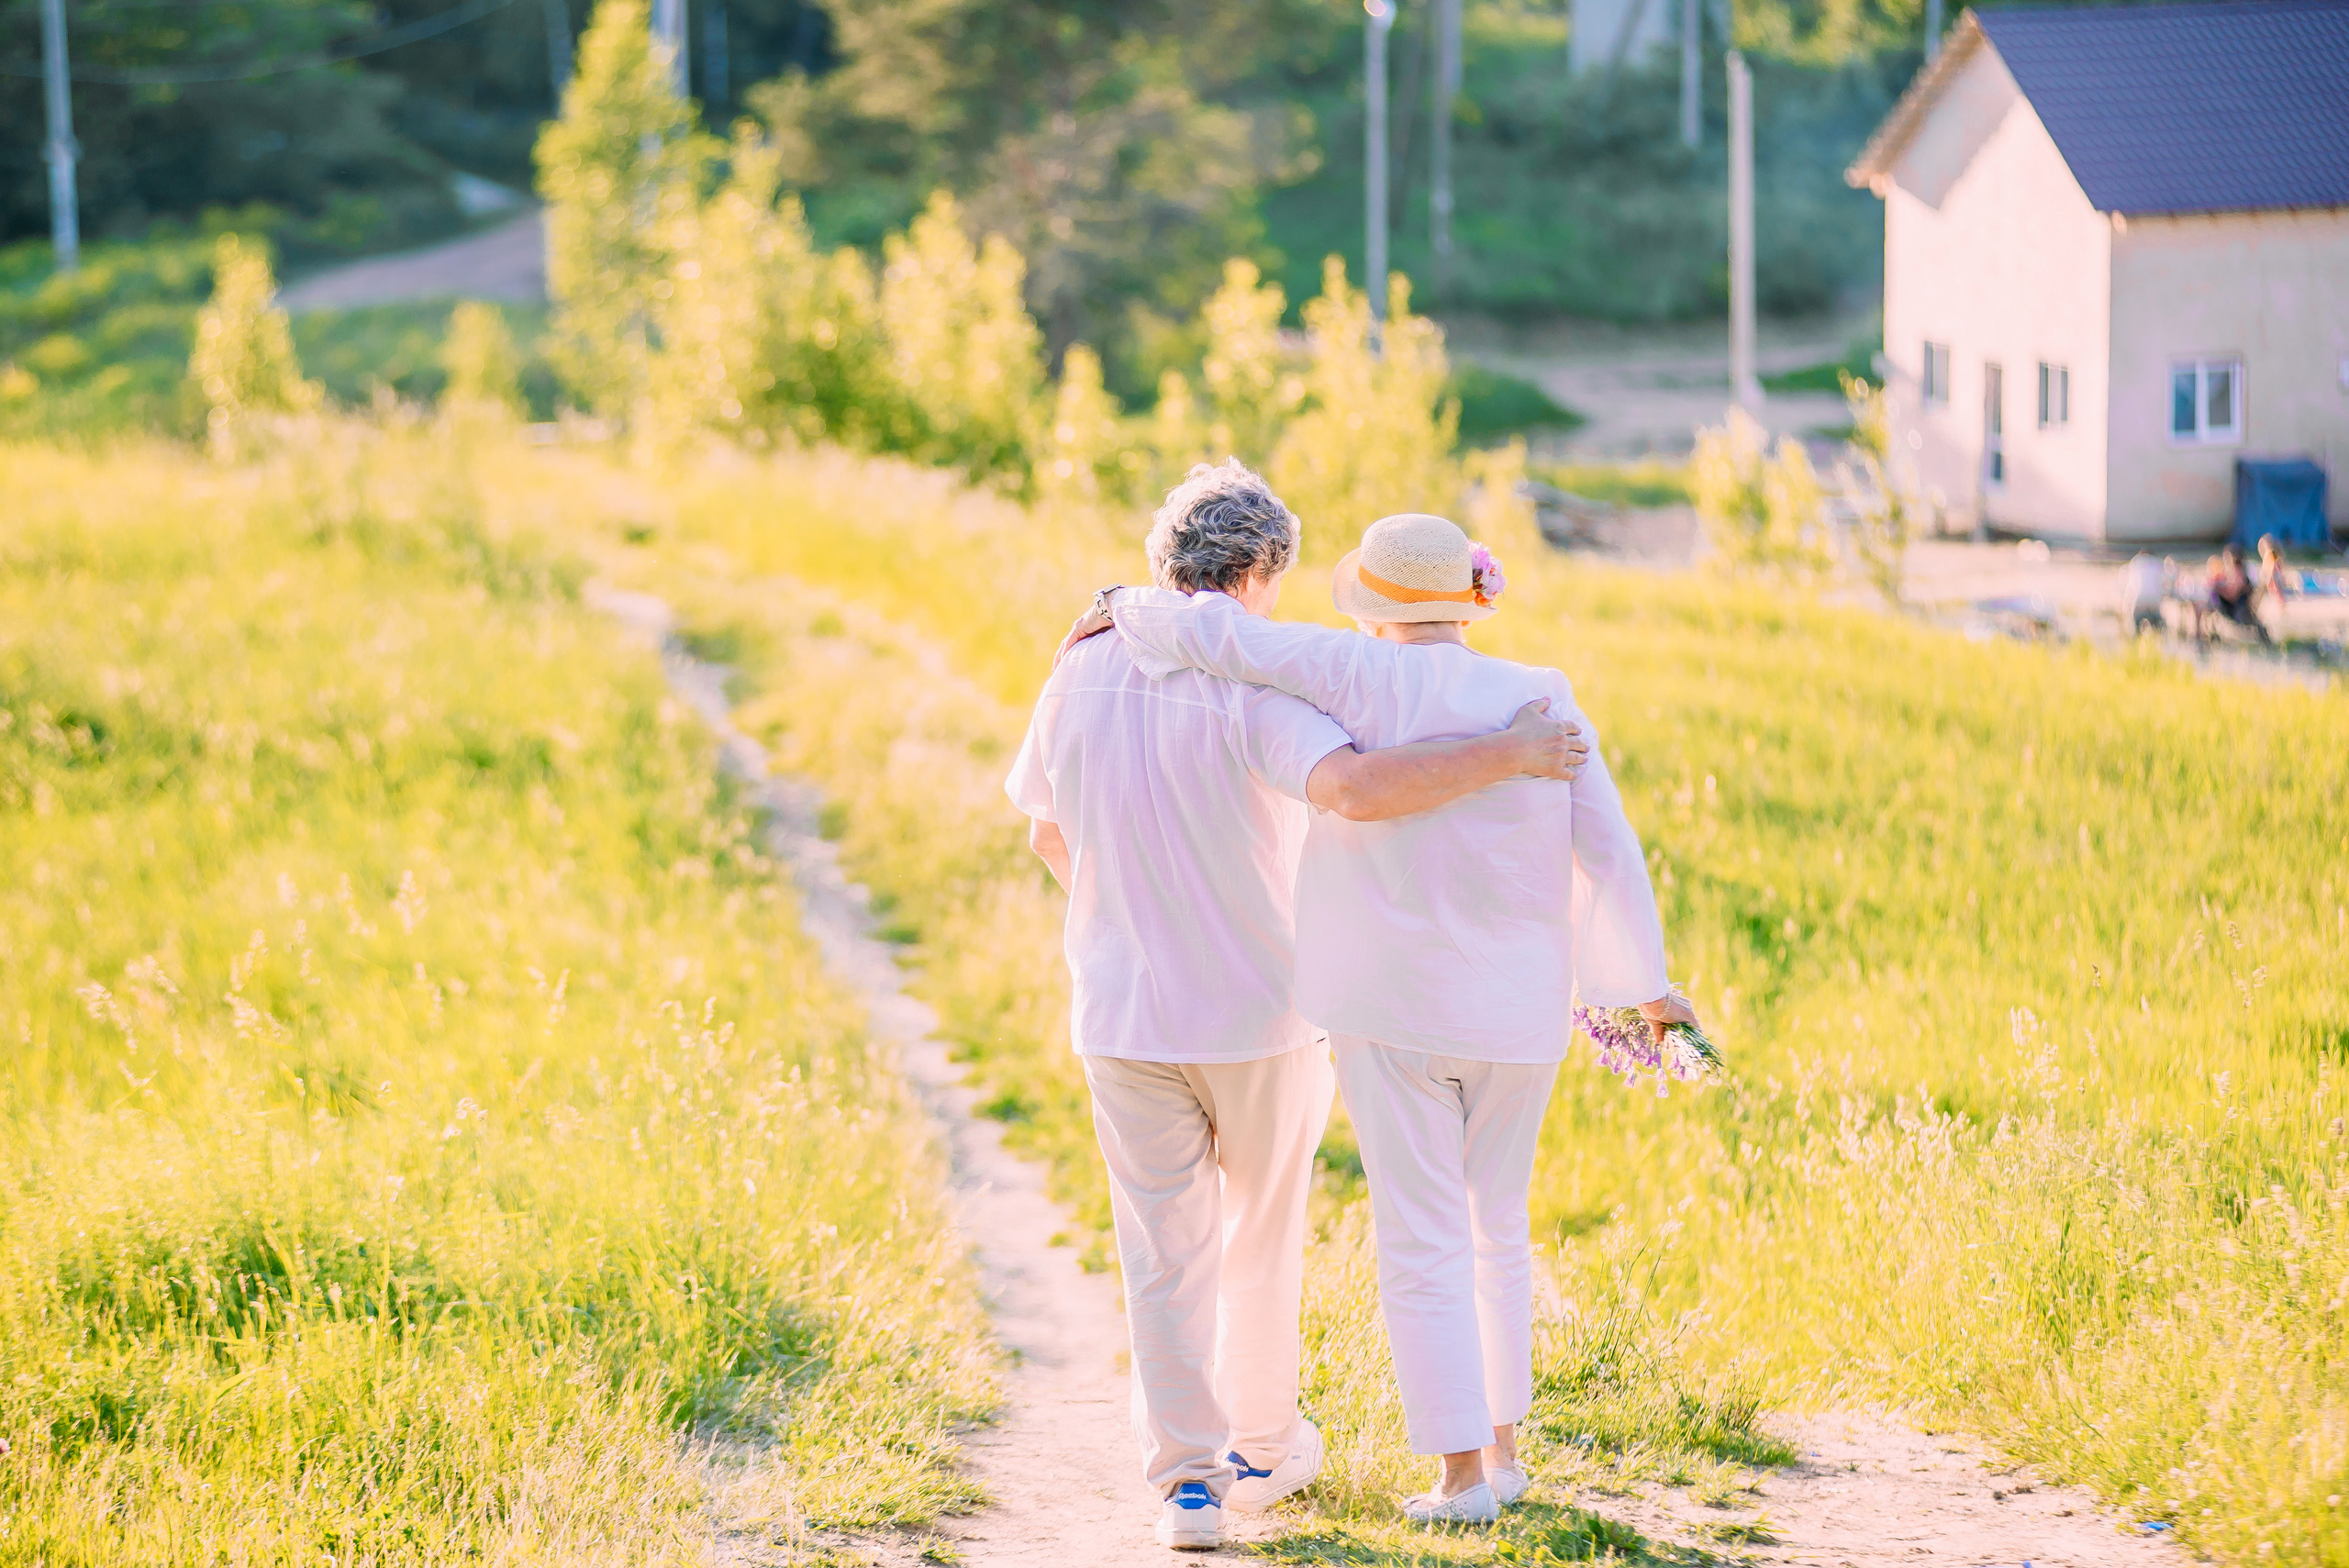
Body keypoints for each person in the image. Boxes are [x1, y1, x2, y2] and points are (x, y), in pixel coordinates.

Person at [1004, 463, 1592, 1551]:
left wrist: (1126, 911)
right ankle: (1263, 1447)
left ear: (1162, 561)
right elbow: (1360, 790)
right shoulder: (1253, 689)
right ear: (1262, 570)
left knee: (1160, 1250)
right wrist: (1508, 755)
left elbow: (1046, 830)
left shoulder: (1072, 673)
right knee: (1257, 1239)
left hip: (1122, 1008)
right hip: (1259, 1011)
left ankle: (1186, 1484)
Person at [2210, 544, 2270, 644]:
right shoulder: (2235, 571)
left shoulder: (2238, 573)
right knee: (2210, 600)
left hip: (2236, 608)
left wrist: (2218, 589)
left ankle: (2206, 635)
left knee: (2211, 600)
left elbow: (2232, 595)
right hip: (2237, 607)